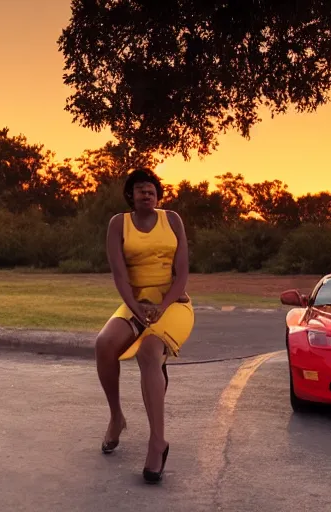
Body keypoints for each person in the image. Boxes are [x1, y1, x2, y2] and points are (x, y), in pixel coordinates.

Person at [94, 167, 195, 484]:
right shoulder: (117, 224)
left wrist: (162, 307)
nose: (146, 192)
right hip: (135, 301)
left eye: (151, 188)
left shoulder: (173, 220)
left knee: (150, 352)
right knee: (104, 344)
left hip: (173, 303)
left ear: (158, 194)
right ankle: (116, 418)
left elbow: (182, 273)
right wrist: (137, 307)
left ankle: (157, 443)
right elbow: (119, 275)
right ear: (131, 195)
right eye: (139, 189)